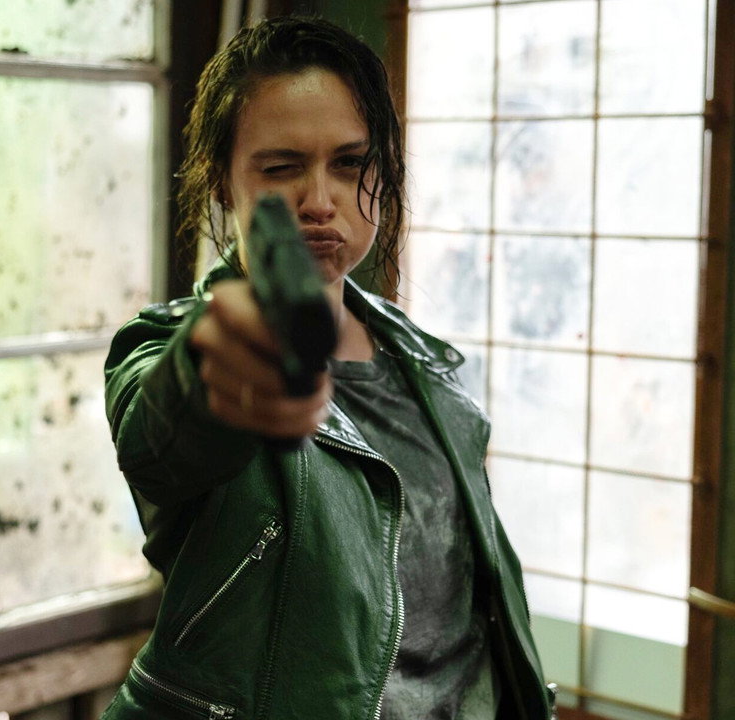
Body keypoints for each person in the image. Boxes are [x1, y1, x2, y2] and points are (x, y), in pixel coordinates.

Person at [101, 16, 555, 720]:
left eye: (350, 164)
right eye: (281, 168)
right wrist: (214, 367)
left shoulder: (424, 366)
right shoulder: (175, 347)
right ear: (222, 180)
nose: (319, 200)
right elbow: (159, 440)